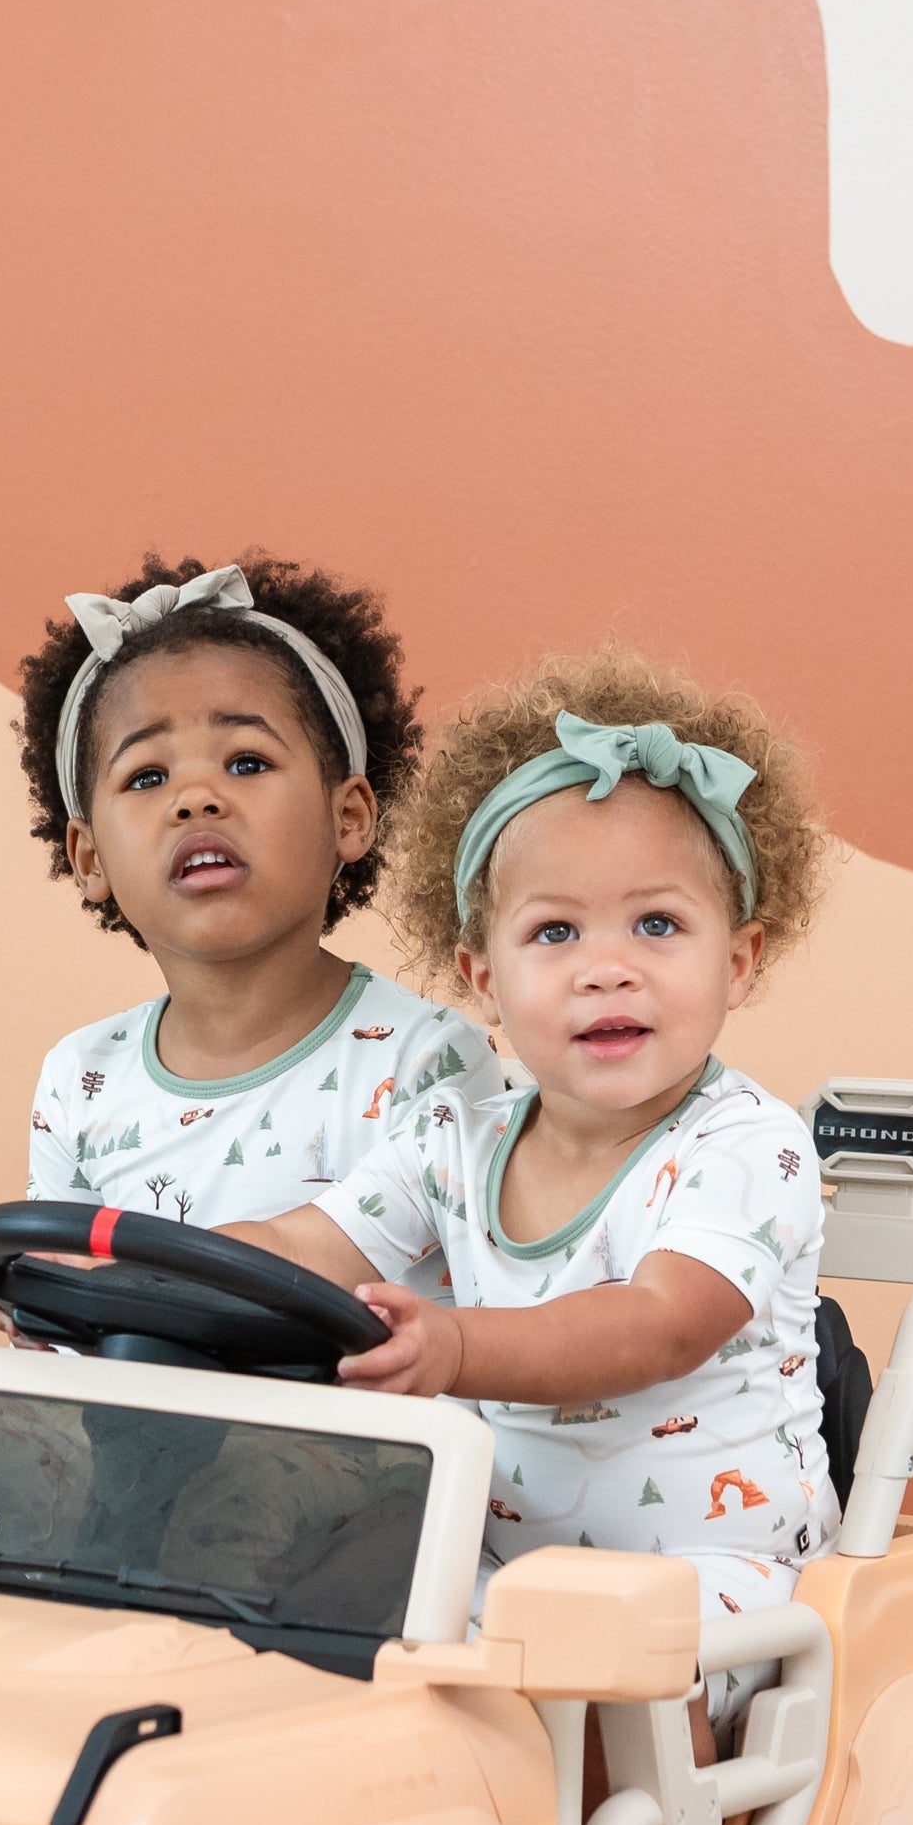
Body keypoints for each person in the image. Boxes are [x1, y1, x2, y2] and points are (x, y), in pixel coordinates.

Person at [225, 649, 832, 1722]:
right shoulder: (452, 1137)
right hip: (502, 1569)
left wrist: (455, 1348)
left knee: (593, 1689)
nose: (609, 966)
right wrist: (126, 1263)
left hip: (717, 1581)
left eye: (658, 925)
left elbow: (654, 1326)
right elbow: (305, 1245)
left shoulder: (748, 1146)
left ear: (738, 963)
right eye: (555, 932)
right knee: (316, 1634)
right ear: (483, 979)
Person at [15, 556, 491, 1232]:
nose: (195, 799)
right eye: (147, 777)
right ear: (90, 858)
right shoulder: (79, 1080)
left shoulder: (428, 1059)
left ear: (348, 818)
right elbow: (65, 1316)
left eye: (247, 762)